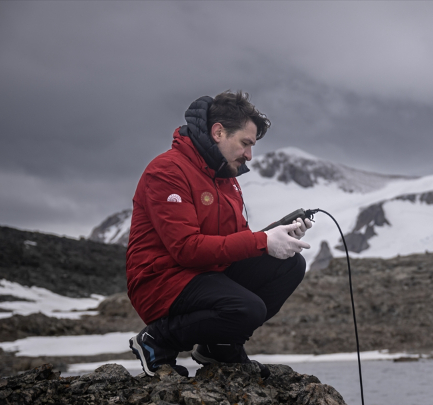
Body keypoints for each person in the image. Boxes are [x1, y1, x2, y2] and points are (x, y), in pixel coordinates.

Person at [126, 91, 312, 378]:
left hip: (206, 274)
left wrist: (277, 233)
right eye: (245, 143)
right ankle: (157, 341)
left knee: (289, 265)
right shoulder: (167, 170)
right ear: (218, 132)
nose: (249, 155)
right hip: (162, 281)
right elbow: (186, 249)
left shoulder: (225, 180)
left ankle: (220, 348)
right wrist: (263, 241)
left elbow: (234, 242)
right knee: (246, 308)